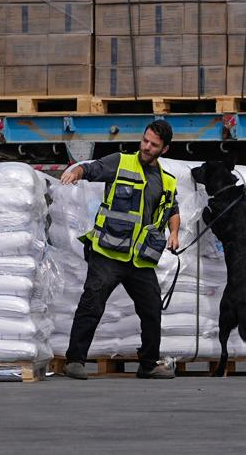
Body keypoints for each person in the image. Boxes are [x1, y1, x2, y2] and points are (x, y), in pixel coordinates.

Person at [59, 118, 181, 379]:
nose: (147, 147)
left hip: (140, 259)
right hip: (108, 253)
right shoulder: (121, 161)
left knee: (151, 310)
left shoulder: (167, 181)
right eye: (145, 141)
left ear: (164, 149)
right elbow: (92, 169)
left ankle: (148, 364)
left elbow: (172, 209)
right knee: (92, 303)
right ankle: (74, 361)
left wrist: (175, 233)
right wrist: (76, 173)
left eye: (154, 144)